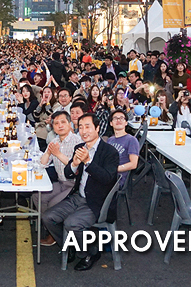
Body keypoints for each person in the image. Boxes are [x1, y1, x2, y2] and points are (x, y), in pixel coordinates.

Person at [42, 113, 119, 271]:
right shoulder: (80, 147)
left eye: (88, 126)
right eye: (81, 127)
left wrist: (88, 162)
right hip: (78, 196)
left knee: (72, 224)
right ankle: (69, 245)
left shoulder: (109, 152)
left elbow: (107, 179)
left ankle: (90, 253)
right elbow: (69, 173)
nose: (84, 131)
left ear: (97, 128)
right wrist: (75, 164)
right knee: (48, 217)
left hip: (97, 201)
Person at [37, 110, 84, 246]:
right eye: (56, 123)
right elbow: (43, 163)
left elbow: (75, 167)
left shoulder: (78, 142)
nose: (60, 126)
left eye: (63, 122)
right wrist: (49, 152)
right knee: (37, 196)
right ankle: (51, 229)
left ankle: (56, 235)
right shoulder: (55, 140)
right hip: (61, 182)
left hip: (73, 185)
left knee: (52, 206)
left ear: (70, 124)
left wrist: (57, 153)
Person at [106, 109, 140, 186]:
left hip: (118, 178)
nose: (118, 120)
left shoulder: (131, 140)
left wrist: (114, 169)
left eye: (121, 118)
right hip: (108, 174)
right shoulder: (110, 139)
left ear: (126, 122)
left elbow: (133, 164)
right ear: (111, 123)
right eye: (115, 118)